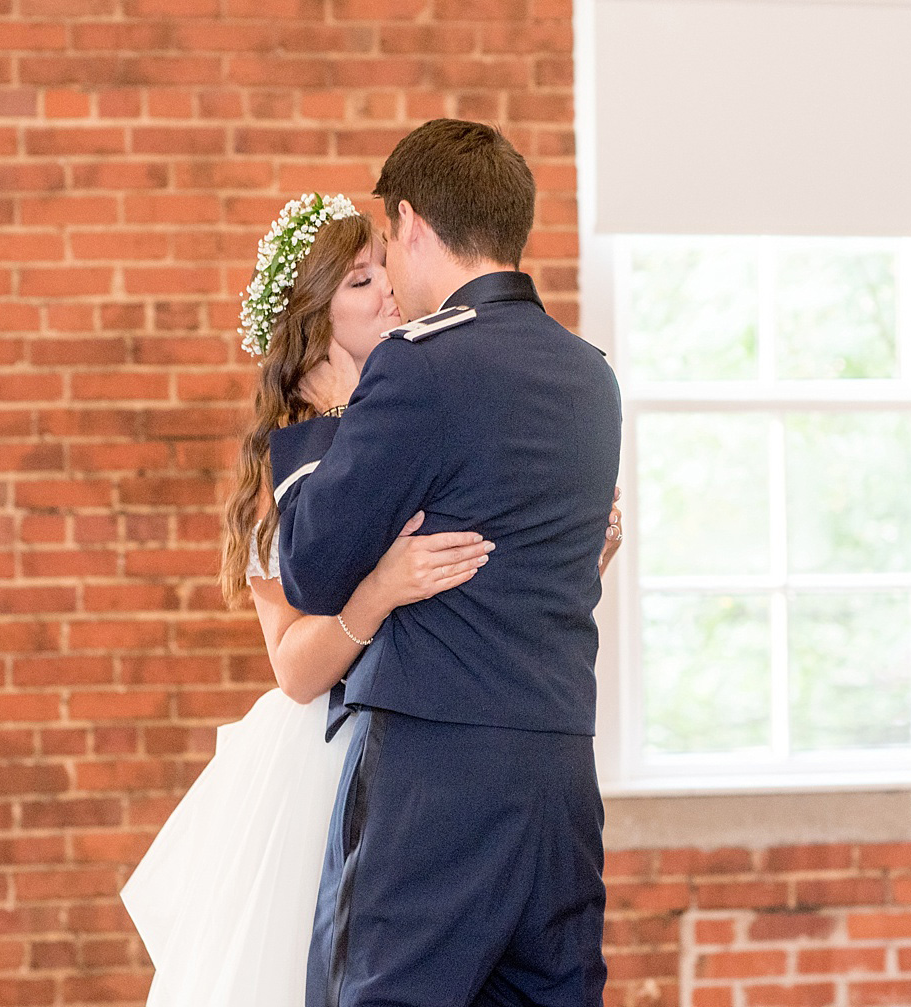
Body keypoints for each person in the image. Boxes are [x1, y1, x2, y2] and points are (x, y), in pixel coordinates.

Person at [120, 190, 622, 1006]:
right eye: (359, 283)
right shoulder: (295, 467)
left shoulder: (415, 415)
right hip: (334, 753)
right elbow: (293, 667)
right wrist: (381, 590)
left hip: (433, 749)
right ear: (313, 321)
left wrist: (575, 557)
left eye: (379, 269)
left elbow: (469, 590)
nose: (387, 288)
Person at [272, 120, 623, 1007]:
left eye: (386, 245)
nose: (388, 268)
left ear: (412, 222)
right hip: (560, 772)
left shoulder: (419, 364)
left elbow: (311, 572)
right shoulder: (591, 376)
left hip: (437, 774)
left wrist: (321, 425)